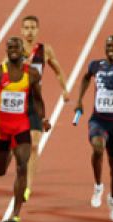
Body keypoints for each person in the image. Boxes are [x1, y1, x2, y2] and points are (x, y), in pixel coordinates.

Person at [0, 37, 48, 221]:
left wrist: (43, 118)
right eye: (10, 47)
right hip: (1, 128)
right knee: (0, 171)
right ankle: (9, 149)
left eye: (16, 47)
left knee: (22, 166)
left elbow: (38, 100)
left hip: (21, 126)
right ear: (6, 50)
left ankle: (16, 213)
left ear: (22, 51)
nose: (13, 50)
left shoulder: (32, 74)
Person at [75, 35, 113, 222]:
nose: (111, 49)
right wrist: (79, 100)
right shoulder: (95, 65)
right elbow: (85, 79)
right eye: (109, 46)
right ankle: (98, 186)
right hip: (98, 120)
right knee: (98, 147)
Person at [19, 15, 70, 201]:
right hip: (17, 101)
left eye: (33, 27)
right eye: (26, 27)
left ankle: (27, 187)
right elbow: (3, 72)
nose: (30, 31)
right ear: (21, 30)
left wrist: (64, 89)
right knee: (17, 145)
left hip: (35, 102)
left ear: (37, 30)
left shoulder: (45, 50)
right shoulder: (15, 49)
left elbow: (57, 70)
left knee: (34, 144)